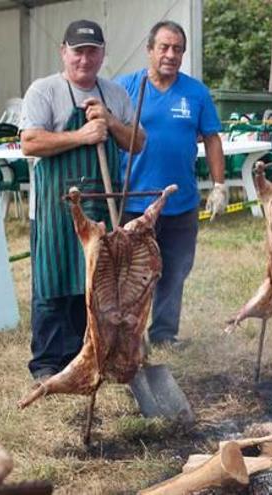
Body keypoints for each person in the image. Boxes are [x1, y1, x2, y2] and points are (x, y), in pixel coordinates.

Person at [19, 19, 145, 380]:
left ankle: (88, 355)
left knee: (97, 282)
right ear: (64, 52)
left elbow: (137, 143)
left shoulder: (114, 94)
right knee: (54, 280)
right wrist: (82, 135)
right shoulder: (44, 91)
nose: (85, 59)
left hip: (101, 202)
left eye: (92, 51)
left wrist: (110, 121)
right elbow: (30, 143)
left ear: (103, 54)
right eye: (78, 51)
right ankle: (47, 363)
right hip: (56, 207)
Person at [115, 20, 227, 347]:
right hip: (135, 202)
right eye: (163, 47)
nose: (170, 54)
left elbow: (212, 138)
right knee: (132, 275)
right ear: (149, 50)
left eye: (177, 49)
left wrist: (219, 186)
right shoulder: (125, 88)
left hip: (181, 203)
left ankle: (164, 334)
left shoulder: (196, 92)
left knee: (175, 271)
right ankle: (127, 336)